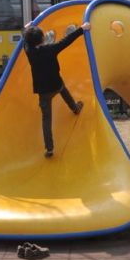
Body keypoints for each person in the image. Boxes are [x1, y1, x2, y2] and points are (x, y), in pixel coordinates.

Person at [23, 20, 90, 157]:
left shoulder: (29, 51)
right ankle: (75, 108)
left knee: (46, 118)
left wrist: (26, 29)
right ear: (42, 39)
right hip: (55, 84)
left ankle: (49, 148)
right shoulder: (50, 49)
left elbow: (25, 40)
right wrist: (82, 29)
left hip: (42, 90)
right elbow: (66, 41)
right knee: (63, 90)